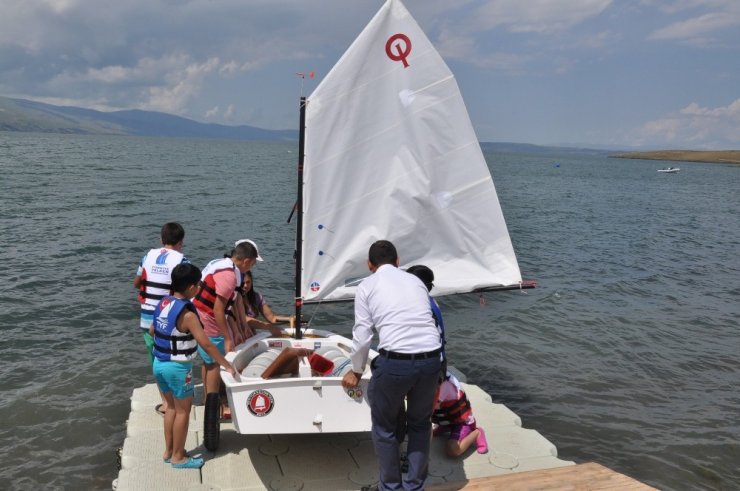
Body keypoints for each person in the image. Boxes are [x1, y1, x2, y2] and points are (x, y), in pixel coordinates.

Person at [342, 240, 442, 491]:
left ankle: (390, 488)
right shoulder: (416, 281)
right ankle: (414, 486)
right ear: (398, 261)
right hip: (431, 360)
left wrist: (356, 370)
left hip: (396, 363)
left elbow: (362, 336)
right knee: (420, 424)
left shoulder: (367, 286)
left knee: (385, 429)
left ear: (369, 265)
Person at [150, 263, 237, 469]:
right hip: (178, 368)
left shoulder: (163, 302)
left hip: (158, 364)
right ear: (190, 287)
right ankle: (179, 457)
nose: (199, 288)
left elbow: (153, 330)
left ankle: (169, 451)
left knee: (170, 408)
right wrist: (226, 364)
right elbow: (205, 343)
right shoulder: (188, 314)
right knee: (183, 412)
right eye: (198, 285)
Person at [192, 240, 259, 414]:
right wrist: (228, 337)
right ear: (245, 261)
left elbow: (235, 299)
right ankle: (214, 407)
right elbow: (218, 309)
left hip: (205, 313)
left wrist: (242, 327)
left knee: (208, 360)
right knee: (215, 361)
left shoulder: (230, 268)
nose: (253, 266)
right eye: (253, 263)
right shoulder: (228, 276)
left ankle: (208, 401)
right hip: (206, 315)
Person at [133, 222, 189, 415]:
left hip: (147, 317)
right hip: (169, 317)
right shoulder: (182, 260)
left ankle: (166, 403)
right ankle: (177, 401)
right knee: (172, 357)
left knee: (156, 359)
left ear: (161, 239)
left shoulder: (147, 256)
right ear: (181, 241)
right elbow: (187, 288)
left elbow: (136, 282)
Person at [432, 370, 488, 457]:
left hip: (463, 422)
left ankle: (477, 432)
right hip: (449, 419)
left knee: (452, 450)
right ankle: (446, 426)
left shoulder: (443, 384)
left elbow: (426, 410)